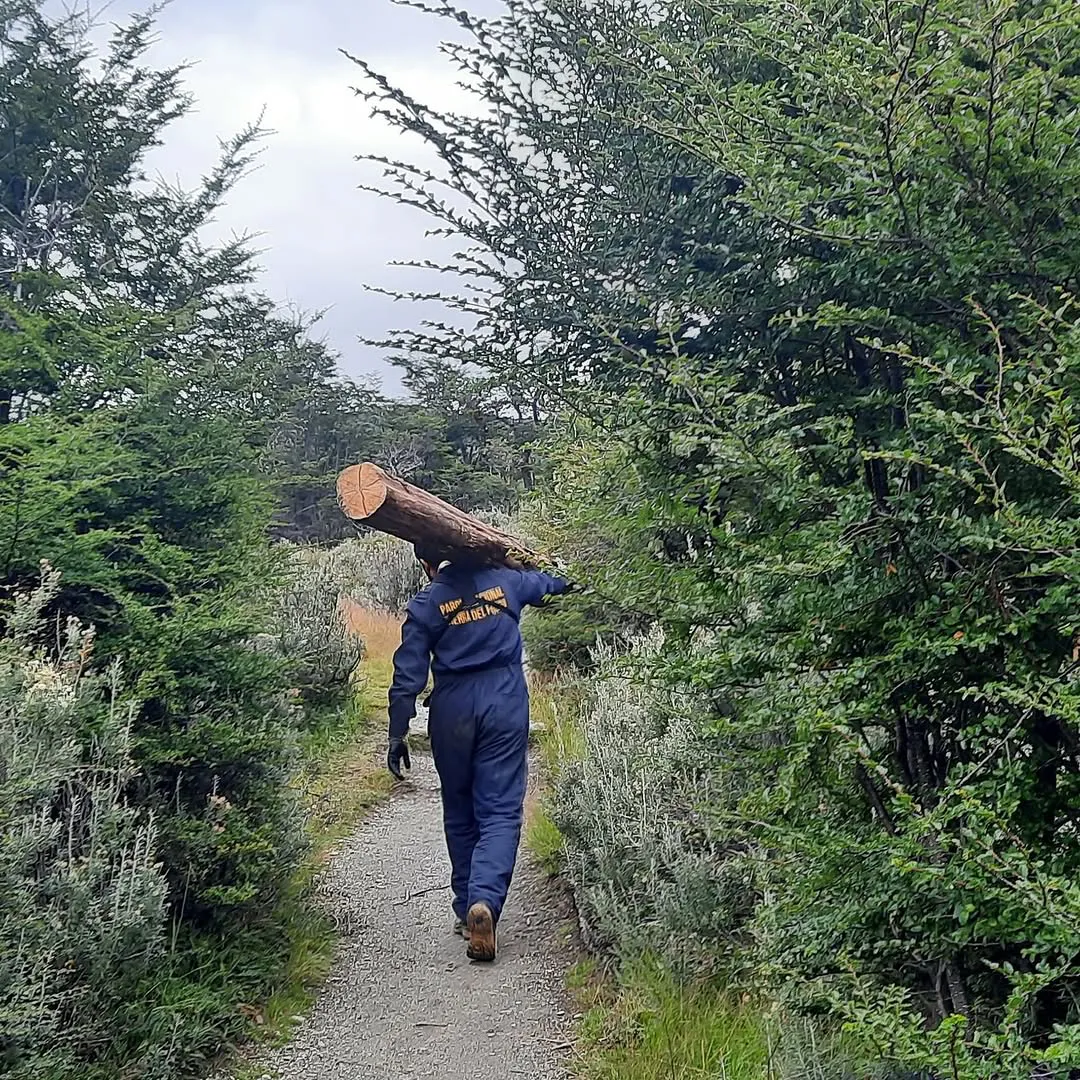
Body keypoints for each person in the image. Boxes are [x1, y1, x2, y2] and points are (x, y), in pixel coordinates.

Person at [386, 542, 570, 962]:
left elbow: (407, 674)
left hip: (451, 712)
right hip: (503, 704)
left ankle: (466, 905)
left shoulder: (427, 603)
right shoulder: (508, 582)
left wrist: (397, 733)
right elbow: (557, 583)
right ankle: (484, 901)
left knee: (459, 809)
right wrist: (530, 560)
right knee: (501, 811)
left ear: (429, 563)